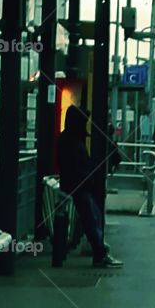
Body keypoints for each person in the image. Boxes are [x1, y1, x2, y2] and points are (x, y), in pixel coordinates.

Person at [57, 105, 123, 268]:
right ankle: (100, 253)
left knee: (93, 218)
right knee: (92, 219)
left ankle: (100, 250)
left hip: (76, 186)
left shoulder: (68, 138)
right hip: (79, 188)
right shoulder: (73, 141)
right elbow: (76, 167)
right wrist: (88, 178)